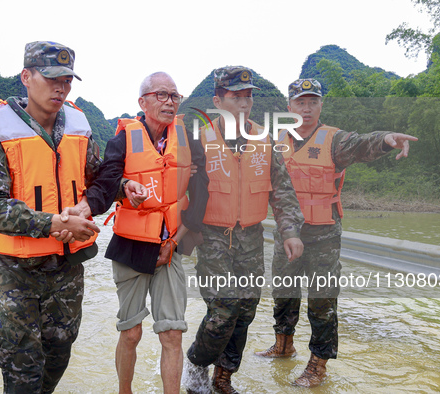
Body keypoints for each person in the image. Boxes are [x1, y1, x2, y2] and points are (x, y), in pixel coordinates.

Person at [0, 41, 140, 393]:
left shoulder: (78, 124)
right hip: (16, 270)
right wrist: (55, 224)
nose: (60, 87)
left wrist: (125, 186)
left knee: (59, 352)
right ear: (26, 77)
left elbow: (95, 177)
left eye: (67, 80)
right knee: (21, 366)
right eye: (51, 78)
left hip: (66, 268)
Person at [254, 79, 418, 387]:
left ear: (320, 106)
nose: (306, 107)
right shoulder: (276, 141)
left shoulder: (334, 140)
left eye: (312, 102)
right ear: (289, 107)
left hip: (323, 236)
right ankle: (283, 345)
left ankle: (318, 364)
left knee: (322, 301)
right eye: (300, 102)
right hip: (287, 232)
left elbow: (363, 144)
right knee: (283, 293)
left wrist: (387, 139)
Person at [73, 71, 209, 394]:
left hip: (169, 247)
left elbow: (202, 193)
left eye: (175, 96)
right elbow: (105, 186)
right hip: (131, 247)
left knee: (172, 333)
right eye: (161, 95)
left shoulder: (188, 138)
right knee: (131, 332)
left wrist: (175, 240)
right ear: (143, 101)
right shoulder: (122, 139)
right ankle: (125, 391)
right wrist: (114, 191)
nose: (170, 102)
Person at [183, 66, 304, 394]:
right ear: (218, 100)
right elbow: (180, 188)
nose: (243, 103)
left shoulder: (264, 140)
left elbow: (282, 191)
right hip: (213, 238)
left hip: (251, 238)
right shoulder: (199, 141)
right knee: (225, 307)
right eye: (235, 96)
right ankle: (196, 363)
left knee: (245, 310)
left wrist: (290, 231)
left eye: (248, 96)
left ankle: (223, 379)